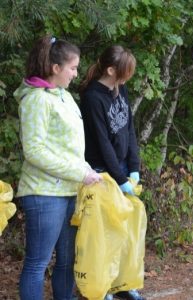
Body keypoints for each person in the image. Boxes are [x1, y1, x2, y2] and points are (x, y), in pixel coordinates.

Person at [14, 35, 102, 299]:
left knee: (67, 261)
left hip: (69, 191)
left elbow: (71, 148)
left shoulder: (64, 97)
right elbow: (34, 152)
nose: (76, 74)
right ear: (55, 68)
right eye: (73, 68)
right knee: (38, 263)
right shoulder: (36, 100)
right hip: (43, 194)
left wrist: (89, 170)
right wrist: (80, 173)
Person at [79, 45, 143, 300]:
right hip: (102, 172)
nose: (128, 77)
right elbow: (102, 141)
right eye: (125, 72)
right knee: (105, 234)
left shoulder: (121, 88)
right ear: (110, 70)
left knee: (126, 231)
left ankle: (123, 284)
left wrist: (134, 168)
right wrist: (118, 179)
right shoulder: (93, 97)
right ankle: (103, 286)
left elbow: (129, 130)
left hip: (123, 169)